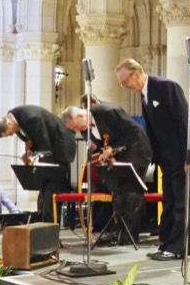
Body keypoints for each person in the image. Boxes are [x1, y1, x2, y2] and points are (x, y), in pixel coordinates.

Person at [115, 59, 190, 260]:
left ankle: (178, 248)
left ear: (135, 74)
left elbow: (185, 120)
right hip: (167, 156)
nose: (125, 86)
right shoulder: (144, 95)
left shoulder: (166, 87)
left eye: (125, 81)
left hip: (184, 153)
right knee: (169, 200)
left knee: (183, 201)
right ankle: (166, 243)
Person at [61, 104, 152, 244]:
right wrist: (104, 155)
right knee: (117, 191)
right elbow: (100, 146)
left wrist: (113, 149)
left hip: (137, 150)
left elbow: (134, 132)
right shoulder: (85, 131)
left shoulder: (107, 111)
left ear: (80, 116)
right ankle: (119, 232)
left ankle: (130, 235)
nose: (77, 131)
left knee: (131, 191)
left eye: (75, 127)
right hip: (120, 154)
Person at [0, 105, 76, 223]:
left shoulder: (31, 118)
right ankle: (43, 221)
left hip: (60, 146)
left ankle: (49, 224)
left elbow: (45, 146)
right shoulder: (14, 117)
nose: (11, 135)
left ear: (9, 124)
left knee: (51, 187)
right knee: (44, 188)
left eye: (9, 133)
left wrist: (33, 155)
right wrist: (30, 152)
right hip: (51, 147)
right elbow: (34, 141)